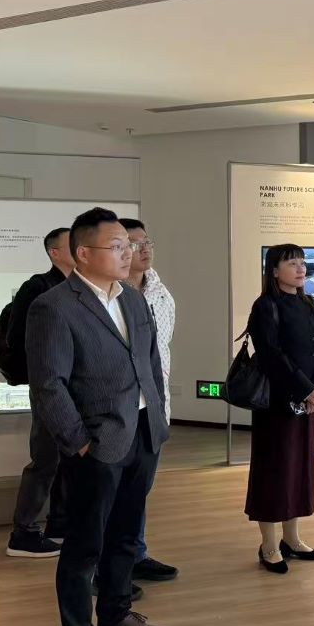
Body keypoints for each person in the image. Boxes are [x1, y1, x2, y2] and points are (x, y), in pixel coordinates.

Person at [26, 208, 173, 626]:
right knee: (84, 546)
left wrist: (158, 419)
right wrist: (78, 443)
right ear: (83, 254)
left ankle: (116, 614)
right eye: (117, 246)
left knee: (127, 535)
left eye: (129, 245)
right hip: (96, 443)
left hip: (143, 433)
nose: (128, 253)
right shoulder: (54, 306)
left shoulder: (133, 300)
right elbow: (48, 385)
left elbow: (150, 363)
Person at [244, 244, 314, 574]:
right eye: (291, 263)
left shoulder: (310, 303)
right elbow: (270, 354)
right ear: (274, 270)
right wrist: (305, 388)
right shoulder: (265, 305)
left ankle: (292, 539)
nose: (300, 268)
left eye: (302, 262)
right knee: (274, 470)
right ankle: (268, 545)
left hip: (307, 401)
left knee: (299, 468)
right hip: (276, 403)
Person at [5, 227, 74, 558]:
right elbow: (20, 339)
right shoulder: (37, 288)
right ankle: (24, 532)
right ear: (54, 253)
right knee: (46, 458)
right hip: (50, 385)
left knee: (67, 456)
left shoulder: (79, 288)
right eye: (71, 244)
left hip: (74, 385)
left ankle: (59, 523)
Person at [119, 218, 178, 584]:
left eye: (147, 241)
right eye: (134, 243)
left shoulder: (160, 292)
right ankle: (108, 567)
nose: (144, 249)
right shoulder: (108, 295)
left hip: (154, 405)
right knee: (113, 493)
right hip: (118, 409)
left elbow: (163, 349)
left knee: (140, 489)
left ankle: (135, 554)